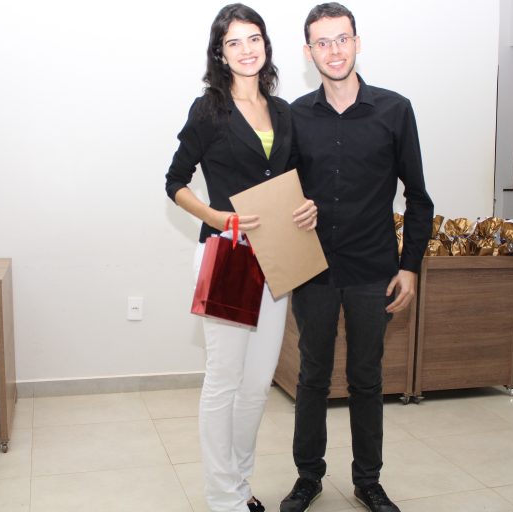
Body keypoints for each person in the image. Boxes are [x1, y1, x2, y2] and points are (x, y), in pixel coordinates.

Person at [279, 4, 433, 512]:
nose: (334, 51)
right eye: (322, 43)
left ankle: (368, 481)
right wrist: (295, 208)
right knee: (312, 377)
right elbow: (282, 192)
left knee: (367, 379)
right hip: (314, 270)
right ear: (309, 53)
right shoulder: (295, 116)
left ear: (357, 43)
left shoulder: (395, 110)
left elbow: (419, 197)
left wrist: (410, 267)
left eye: (342, 39)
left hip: (374, 270)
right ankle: (308, 477)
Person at [165, 4, 317, 512]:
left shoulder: (284, 112)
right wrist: (218, 217)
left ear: (266, 46)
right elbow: (175, 182)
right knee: (224, 382)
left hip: (277, 255)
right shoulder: (208, 110)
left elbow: (295, 179)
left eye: (254, 39)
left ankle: (240, 485)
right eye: (234, 42)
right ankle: (221, 498)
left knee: (256, 385)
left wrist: (309, 206)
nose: (246, 50)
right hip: (228, 255)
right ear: (221, 53)